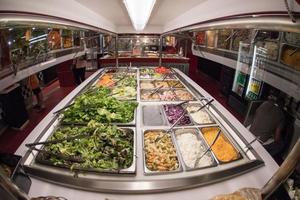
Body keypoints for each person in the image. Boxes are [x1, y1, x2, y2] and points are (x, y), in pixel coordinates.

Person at [249, 91, 285, 156]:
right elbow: (277, 137)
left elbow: (256, 117)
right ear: (282, 105)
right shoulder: (281, 115)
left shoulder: (264, 103)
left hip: (249, 132)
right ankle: (266, 156)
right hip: (259, 141)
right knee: (281, 144)